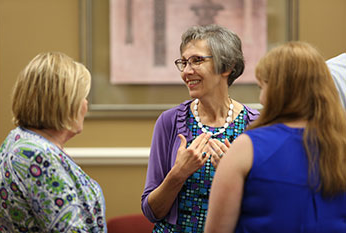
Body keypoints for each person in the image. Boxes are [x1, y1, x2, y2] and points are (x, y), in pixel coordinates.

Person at [205, 41, 346, 233]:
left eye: (262, 87)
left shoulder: (247, 148)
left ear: (277, 90)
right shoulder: (340, 146)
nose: (262, 98)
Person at [141, 24, 260, 232]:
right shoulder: (169, 122)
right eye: (184, 62)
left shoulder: (255, 126)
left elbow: (265, 208)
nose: (187, 71)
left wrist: (232, 176)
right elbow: (152, 212)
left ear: (227, 66)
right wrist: (178, 173)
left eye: (197, 60)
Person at [0, 52, 107, 232]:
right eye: (82, 97)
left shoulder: (19, 140)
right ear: (65, 103)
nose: (85, 104)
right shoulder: (36, 156)